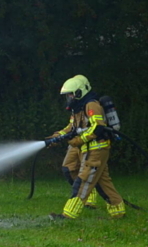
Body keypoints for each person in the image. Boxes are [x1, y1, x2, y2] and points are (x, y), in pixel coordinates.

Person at [45, 75, 124, 220]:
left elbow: (98, 127)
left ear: (79, 92)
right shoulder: (78, 108)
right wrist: (56, 137)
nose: (68, 98)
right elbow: (71, 127)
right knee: (102, 181)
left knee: (84, 180)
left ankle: (68, 215)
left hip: (96, 148)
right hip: (89, 149)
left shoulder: (91, 105)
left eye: (70, 94)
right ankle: (117, 211)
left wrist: (79, 140)